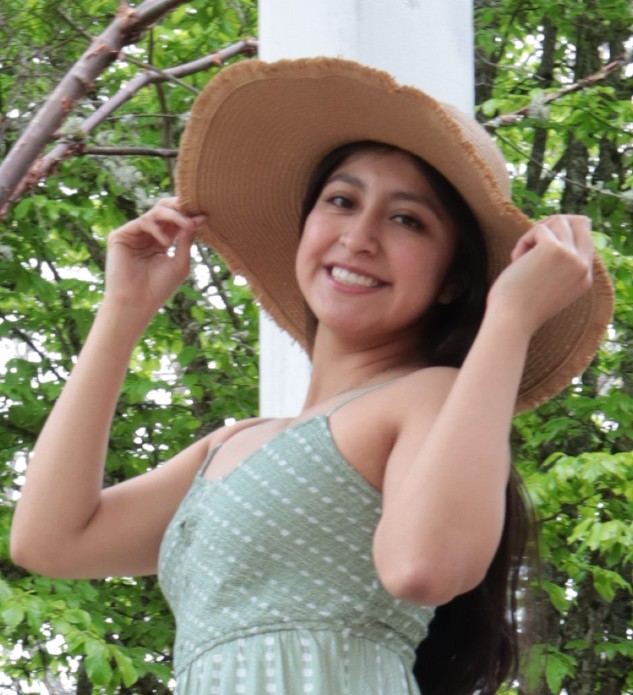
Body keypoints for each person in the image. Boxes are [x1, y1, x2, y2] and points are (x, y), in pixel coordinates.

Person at [10, 58, 613, 694]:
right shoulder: (232, 444)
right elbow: (51, 542)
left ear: (454, 279)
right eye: (342, 201)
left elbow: (424, 568)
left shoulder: (424, 397)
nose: (358, 237)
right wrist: (123, 312)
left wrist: (510, 318)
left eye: (407, 219)